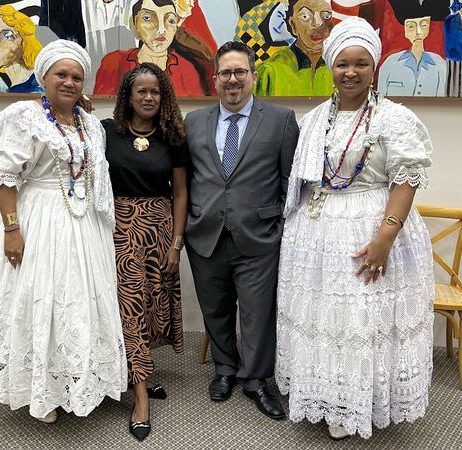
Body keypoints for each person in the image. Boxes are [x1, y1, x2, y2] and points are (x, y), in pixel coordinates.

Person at [277, 17, 435, 440]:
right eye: (343, 63)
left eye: (361, 64)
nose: (351, 72)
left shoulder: (393, 118)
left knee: (361, 320)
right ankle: (327, 395)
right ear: (332, 66)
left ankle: (356, 403)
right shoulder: (314, 119)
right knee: (327, 319)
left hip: (372, 229)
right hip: (316, 234)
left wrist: (385, 237)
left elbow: (406, 178)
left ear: (375, 67)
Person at [0, 39, 127, 424]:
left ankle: (76, 378)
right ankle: (41, 390)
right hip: (38, 220)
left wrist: (80, 109)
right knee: (41, 300)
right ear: (43, 77)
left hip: (82, 221)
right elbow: (5, 178)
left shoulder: (88, 122)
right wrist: (12, 230)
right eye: (61, 74)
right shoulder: (25, 117)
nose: (69, 82)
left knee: (78, 302)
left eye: (77, 76)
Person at [184, 41, 299, 420]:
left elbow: (291, 183)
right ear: (214, 78)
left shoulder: (281, 120)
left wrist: (278, 226)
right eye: (225, 73)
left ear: (252, 76)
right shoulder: (194, 122)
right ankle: (224, 370)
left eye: (240, 72)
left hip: (259, 236)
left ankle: (255, 380)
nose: (232, 80)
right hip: (206, 233)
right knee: (214, 310)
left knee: (256, 313)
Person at [102, 62, 188, 441]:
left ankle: (140, 372)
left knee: (151, 306)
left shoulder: (173, 136)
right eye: (141, 91)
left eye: (155, 91)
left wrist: (176, 243)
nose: (149, 97)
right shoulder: (107, 131)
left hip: (159, 227)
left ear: (163, 95)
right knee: (129, 307)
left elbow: (182, 193)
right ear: (129, 96)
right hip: (119, 229)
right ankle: (140, 397)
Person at [93, 0, 215, 96]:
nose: (161, 28)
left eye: (170, 20)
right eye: (148, 18)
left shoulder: (187, 69)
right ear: (134, 25)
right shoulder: (114, 62)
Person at [254, 0, 335, 96]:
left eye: (326, 16)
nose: (317, 24)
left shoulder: (341, 68)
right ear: (293, 25)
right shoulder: (269, 71)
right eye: (305, 17)